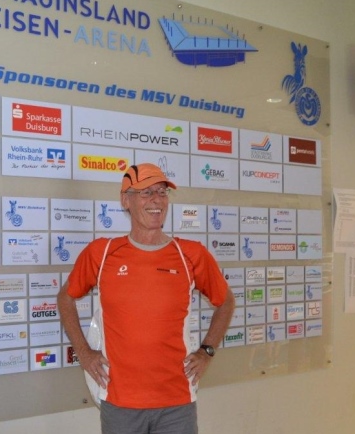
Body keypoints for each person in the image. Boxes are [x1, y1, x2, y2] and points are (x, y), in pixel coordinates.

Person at [58, 163, 235, 434]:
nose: (156, 200)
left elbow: (226, 302)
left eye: (162, 192)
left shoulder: (191, 254)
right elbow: (65, 298)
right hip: (119, 402)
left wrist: (206, 351)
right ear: (125, 200)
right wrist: (84, 353)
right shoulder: (101, 253)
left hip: (177, 402)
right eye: (146, 192)